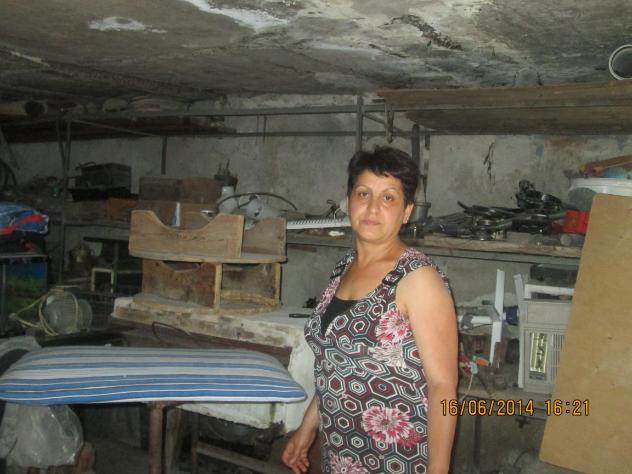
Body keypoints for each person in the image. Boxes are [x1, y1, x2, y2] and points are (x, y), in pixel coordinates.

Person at [282, 146, 458, 474]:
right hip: (341, 456)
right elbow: (337, 364)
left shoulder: (417, 278)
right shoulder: (344, 269)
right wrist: (307, 428)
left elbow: (443, 387)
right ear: (349, 200)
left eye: (389, 197)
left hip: (398, 460)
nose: (373, 207)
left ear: (407, 211)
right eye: (363, 193)